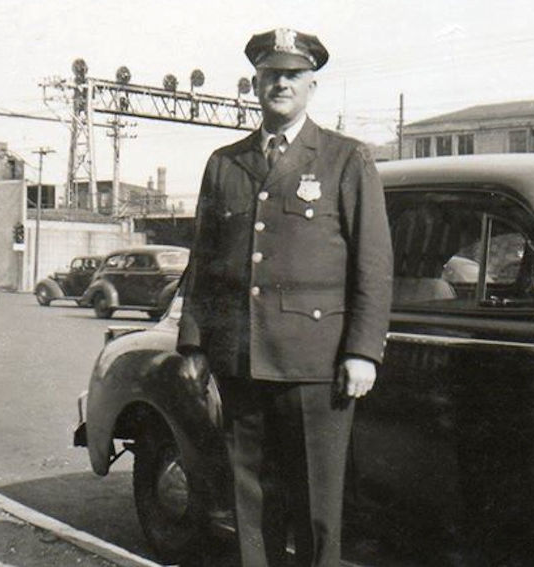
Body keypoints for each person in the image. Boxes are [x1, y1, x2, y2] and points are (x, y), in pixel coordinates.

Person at [177, 27, 393, 567]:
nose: (281, 84)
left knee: (317, 502)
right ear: (255, 82)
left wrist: (362, 351)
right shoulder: (225, 163)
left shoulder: (346, 159)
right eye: (271, 74)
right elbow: (204, 260)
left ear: (312, 85)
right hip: (242, 356)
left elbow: (373, 261)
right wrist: (195, 344)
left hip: (314, 362)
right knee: (251, 497)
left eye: (292, 75)